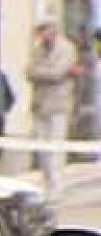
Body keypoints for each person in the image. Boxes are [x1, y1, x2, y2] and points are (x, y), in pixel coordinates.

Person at [27, 19, 82, 189]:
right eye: (40, 30)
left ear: (53, 30)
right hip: (39, 104)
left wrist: (41, 72)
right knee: (42, 148)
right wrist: (45, 72)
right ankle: (47, 183)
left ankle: (57, 185)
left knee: (56, 147)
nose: (42, 34)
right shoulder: (37, 50)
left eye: (45, 29)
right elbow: (29, 72)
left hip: (58, 105)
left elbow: (57, 73)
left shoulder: (66, 48)